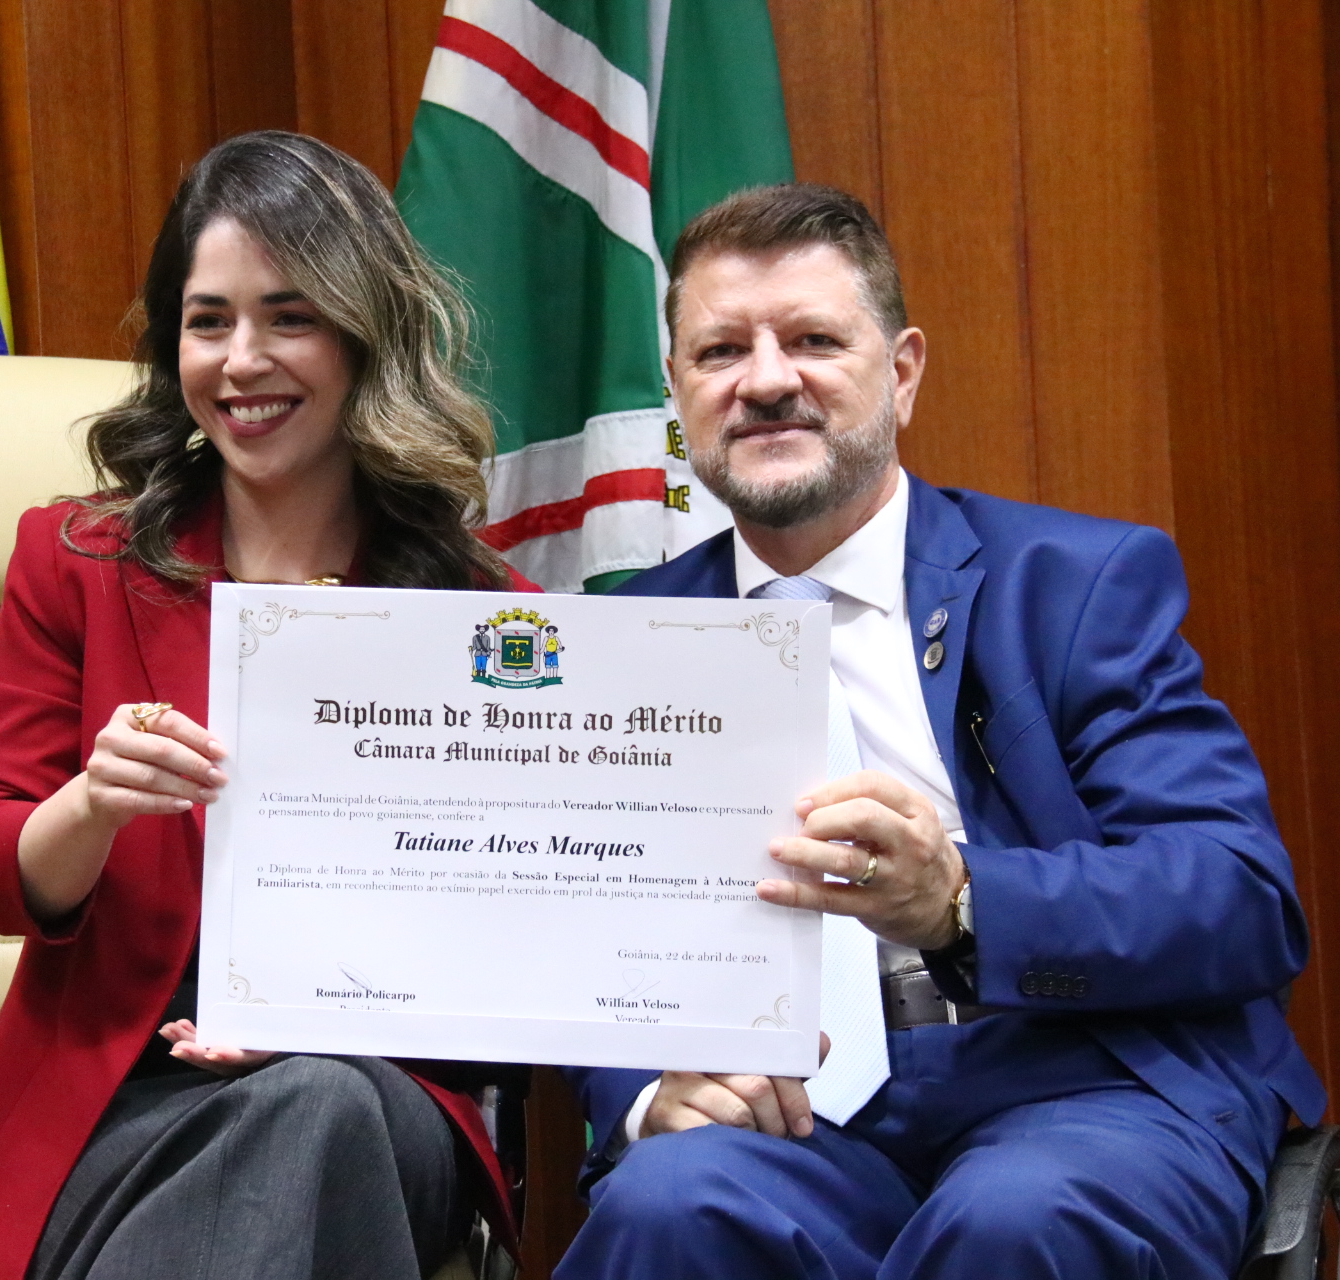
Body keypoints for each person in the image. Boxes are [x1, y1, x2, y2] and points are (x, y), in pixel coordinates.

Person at [556, 183, 1325, 1279]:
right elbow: (577, 932)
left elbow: (1236, 894)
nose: (766, 381)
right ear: (678, 389)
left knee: (1017, 1218)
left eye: (814, 340)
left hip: (1083, 1079)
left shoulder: (1074, 585)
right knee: (666, 1201)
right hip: (795, 1114)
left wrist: (962, 900)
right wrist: (644, 1096)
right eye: (722, 351)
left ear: (903, 371)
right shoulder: (621, 638)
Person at [0, 131, 535, 1280]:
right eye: (208, 321)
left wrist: (319, 1017)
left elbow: (520, 934)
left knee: (317, 1103)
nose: (243, 360)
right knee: (284, 1148)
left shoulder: (487, 618)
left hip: (380, 1089)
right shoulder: (76, 561)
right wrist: (92, 803)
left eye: (289, 317)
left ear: (365, 334)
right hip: (119, 1096)